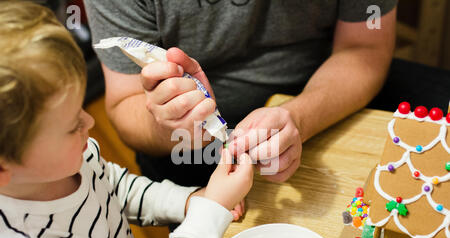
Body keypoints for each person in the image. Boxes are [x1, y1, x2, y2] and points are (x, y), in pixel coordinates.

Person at [0, 1, 253, 238]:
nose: (90, 122)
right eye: (71, 126)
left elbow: (116, 188)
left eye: (81, 108)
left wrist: (189, 201)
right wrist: (212, 211)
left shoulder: (71, 160)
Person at [84, 0, 397, 187]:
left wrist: (300, 117)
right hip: (186, 144)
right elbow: (125, 103)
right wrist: (172, 123)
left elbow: (365, 48)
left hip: (325, 94)